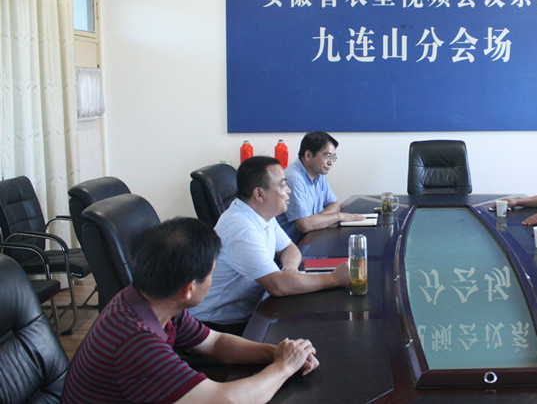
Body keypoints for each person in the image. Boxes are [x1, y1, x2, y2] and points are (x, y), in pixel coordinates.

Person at [62, 218, 319, 404]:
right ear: (189, 289)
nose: (212, 280)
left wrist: (276, 353)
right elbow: (225, 400)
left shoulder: (152, 300)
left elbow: (214, 342)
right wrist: (283, 367)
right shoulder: (136, 341)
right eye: (211, 274)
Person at [190, 156, 349, 333]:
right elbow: (278, 286)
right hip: (217, 325)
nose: (288, 190)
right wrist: (335, 278)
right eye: (282, 185)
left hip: (254, 308)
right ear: (259, 194)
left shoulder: (261, 212)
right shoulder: (240, 227)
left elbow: (289, 248)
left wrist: (289, 268)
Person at [277, 131, 364, 242]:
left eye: (333, 157)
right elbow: (304, 225)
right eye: (327, 156)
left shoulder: (319, 174)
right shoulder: (293, 178)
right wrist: (339, 216)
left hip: (311, 239)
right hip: (293, 246)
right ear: (308, 155)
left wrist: (317, 220)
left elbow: (334, 204)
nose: (330, 162)